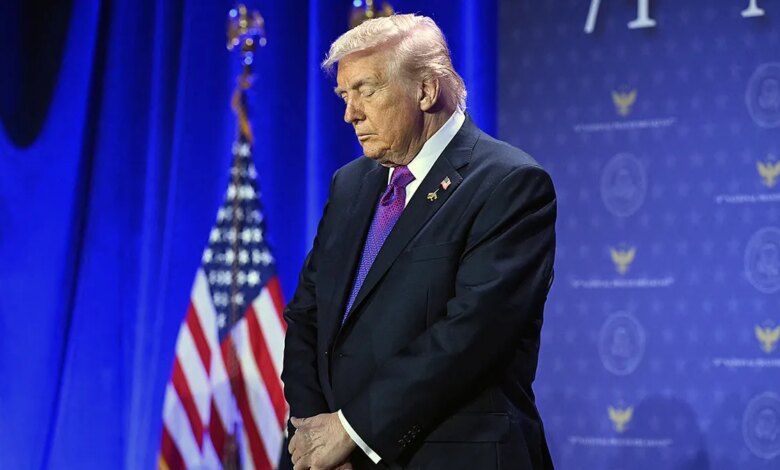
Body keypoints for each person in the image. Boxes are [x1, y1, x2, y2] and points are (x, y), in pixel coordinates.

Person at [282, 13, 556, 470]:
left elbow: (470, 336)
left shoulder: (510, 183)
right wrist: (316, 431)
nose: (350, 113)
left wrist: (351, 430)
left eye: (366, 90)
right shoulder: (350, 184)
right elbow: (308, 312)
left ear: (426, 90)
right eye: (344, 96)